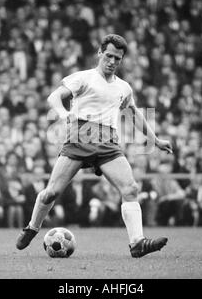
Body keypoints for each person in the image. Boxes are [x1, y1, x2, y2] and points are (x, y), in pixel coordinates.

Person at [16, 34, 172, 257]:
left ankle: (137, 243)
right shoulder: (83, 78)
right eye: (108, 56)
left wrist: (155, 140)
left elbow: (134, 114)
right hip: (80, 138)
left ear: (121, 60)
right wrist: (64, 114)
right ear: (99, 53)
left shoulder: (123, 88)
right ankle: (32, 227)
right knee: (51, 193)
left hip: (108, 143)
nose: (112, 62)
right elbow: (54, 97)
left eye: (117, 58)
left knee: (131, 189)